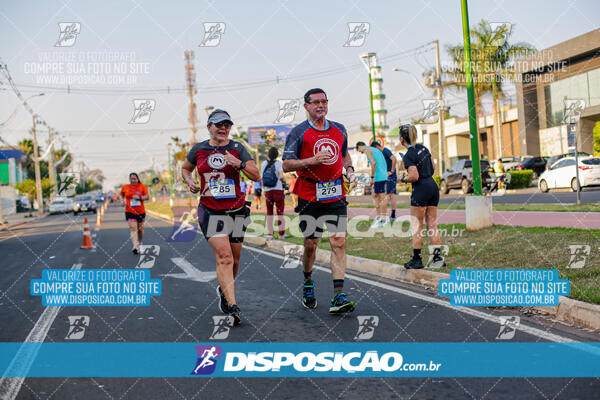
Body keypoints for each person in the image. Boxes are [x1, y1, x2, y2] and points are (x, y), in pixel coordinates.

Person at [181, 109, 260, 326]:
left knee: (234, 260)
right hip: (210, 210)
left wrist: (239, 164)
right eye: (218, 124)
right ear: (209, 127)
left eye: (227, 124)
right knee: (224, 256)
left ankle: (224, 290)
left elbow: (256, 174)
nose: (223, 128)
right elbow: (186, 169)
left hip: (236, 210)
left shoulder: (237, 149)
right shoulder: (199, 149)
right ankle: (233, 306)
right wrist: (190, 181)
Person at [283, 88, 356, 313]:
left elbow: (344, 154)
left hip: (335, 194)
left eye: (324, 101)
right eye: (315, 102)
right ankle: (307, 281)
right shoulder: (298, 132)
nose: (321, 105)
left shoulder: (339, 129)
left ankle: (338, 295)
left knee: (339, 242)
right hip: (309, 195)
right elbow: (286, 164)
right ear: (306, 106)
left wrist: (350, 169)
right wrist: (312, 160)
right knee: (311, 245)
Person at [398, 124, 445, 269]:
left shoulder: (408, 156)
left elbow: (414, 176)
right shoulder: (424, 148)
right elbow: (433, 167)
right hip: (432, 186)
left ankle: (417, 259)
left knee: (417, 226)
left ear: (401, 139)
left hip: (421, 189)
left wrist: (403, 178)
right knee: (432, 224)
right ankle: (437, 258)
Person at [355, 141, 388, 228]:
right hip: (381, 175)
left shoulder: (368, 150)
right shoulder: (374, 149)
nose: (361, 153)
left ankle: (384, 220)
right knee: (374, 195)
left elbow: (373, 163)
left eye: (359, 151)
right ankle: (379, 217)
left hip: (379, 176)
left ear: (360, 146)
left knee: (381, 197)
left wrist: (372, 177)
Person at [120, 173, 149, 254]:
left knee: (140, 230)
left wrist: (139, 197)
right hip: (130, 211)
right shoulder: (125, 187)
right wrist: (122, 201)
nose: (133, 180)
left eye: (135, 179)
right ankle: (135, 246)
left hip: (140, 212)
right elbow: (121, 194)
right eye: (131, 179)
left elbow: (147, 196)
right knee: (133, 228)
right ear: (130, 180)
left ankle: (140, 244)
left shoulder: (142, 186)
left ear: (137, 179)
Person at [262, 146, 287, 239]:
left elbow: (262, 178)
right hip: (278, 190)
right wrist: (285, 183)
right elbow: (281, 176)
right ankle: (281, 234)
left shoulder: (264, 163)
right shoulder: (278, 163)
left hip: (268, 190)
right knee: (280, 211)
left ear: (268, 154)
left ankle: (270, 234)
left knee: (269, 212)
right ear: (277, 155)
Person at [374, 141, 398, 221]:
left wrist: (391, 171)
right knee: (390, 195)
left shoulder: (385, 150)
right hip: (387, 175)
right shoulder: (382, 153)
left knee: (390, 195)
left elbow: (394, 159)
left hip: (390, 175)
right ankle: (391, 215)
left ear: (377, 146)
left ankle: (392, 215)